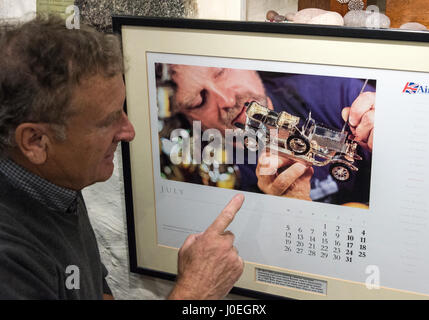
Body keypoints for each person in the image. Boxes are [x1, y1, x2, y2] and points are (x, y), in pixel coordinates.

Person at [0, 16, 244, 300]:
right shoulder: (9, 261)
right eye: (108, 120)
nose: (128, 132)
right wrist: (196, 292)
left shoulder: (55, 185)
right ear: (35, 141)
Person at [165, 64, 375, 205]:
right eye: (198, 102)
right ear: (189, 120)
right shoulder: (213, 177)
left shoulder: (331, 91)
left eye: (221, 72)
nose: (227, 100)